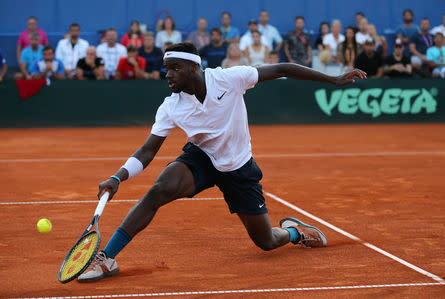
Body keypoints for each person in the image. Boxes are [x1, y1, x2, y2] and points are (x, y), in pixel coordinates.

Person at [76, 41, 366, 282]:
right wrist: (118, 177)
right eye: (166, 69)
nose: (168, 75)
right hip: (201, 158)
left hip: (238, 167)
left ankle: (294, 232)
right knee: (159, 190)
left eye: (175, 68)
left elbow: (281, 68)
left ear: (194, 68)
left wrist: (333, 79)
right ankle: (107, 258)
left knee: (266, 242)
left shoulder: (229, 78)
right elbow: (147, 152)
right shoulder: (171, 107)